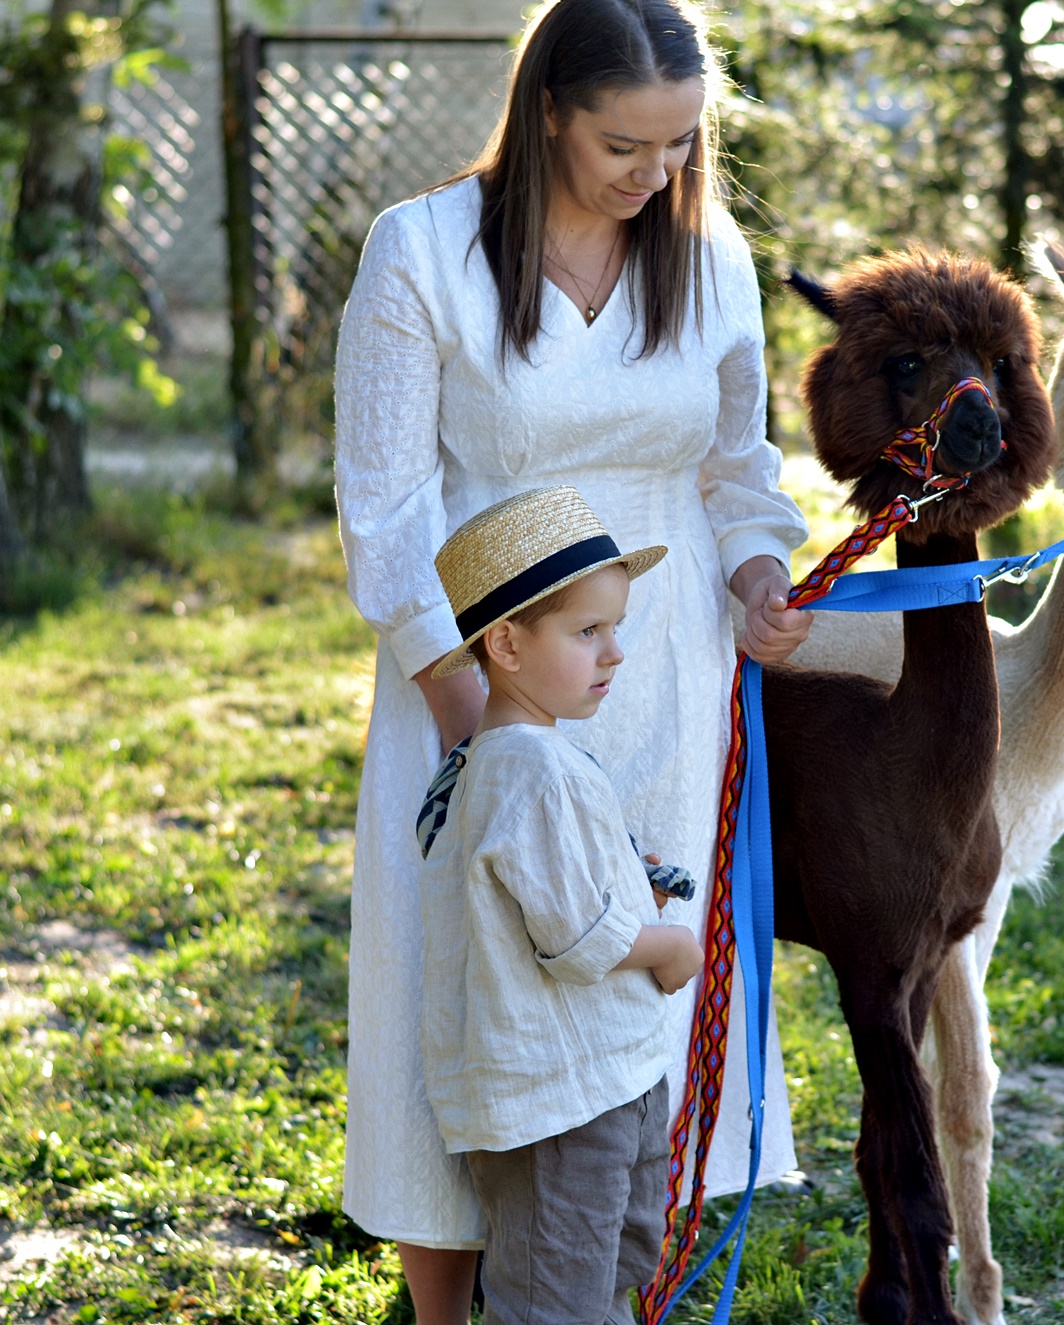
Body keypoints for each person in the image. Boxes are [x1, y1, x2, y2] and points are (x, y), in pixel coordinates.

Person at [332, 2, 811, 1320]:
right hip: (474, 676)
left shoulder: (711, 261)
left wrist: (757, 571)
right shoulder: (422, 251)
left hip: (659, 680)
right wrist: (474, 715)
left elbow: (737, 468)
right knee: (468, 983)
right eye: (622, 144)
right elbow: (385, 507)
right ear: (548, 111)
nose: (654, 173)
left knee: (634, 983)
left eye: (678, 144)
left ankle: (608, 1290)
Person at [419, 487, 701, 1325]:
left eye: (615, 626)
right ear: (506, 643)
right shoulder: (532, 769)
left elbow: (544, 893)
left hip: (599, 1082)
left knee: (602, 1271)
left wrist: (629, 882)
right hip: (562, 1102)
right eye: (588, 631)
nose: (615, 651)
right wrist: (669, 946)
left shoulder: (513, 759)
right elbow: (579, 940)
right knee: (556, 1294)